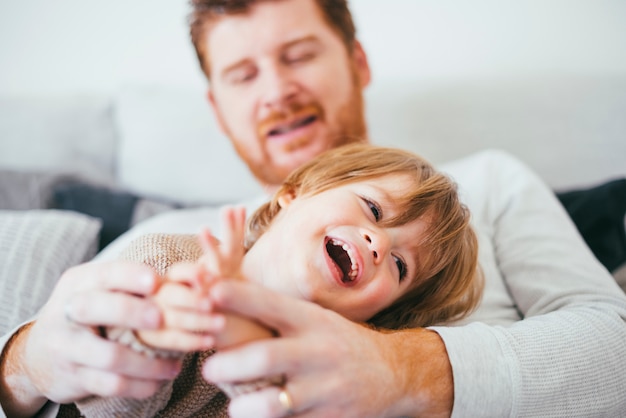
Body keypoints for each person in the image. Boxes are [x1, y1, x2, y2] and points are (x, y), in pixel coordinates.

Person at [1, 0, 625, 417]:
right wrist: (23, 365)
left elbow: (614, 352)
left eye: (298, 54)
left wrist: (401, 367)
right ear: (217, 110)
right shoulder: (167, 238)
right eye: (243, 74)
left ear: (357, 63)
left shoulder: (487, 181)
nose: (277, 90)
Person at [73, 143, 483, 417]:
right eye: (374, 209)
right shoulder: (166, 259)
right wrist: (150, 337)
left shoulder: (329, 371)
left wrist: (240, 327)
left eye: (399, 266)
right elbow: (106, 404)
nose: (379, 244)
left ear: (378, 316)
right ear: (294, 193)